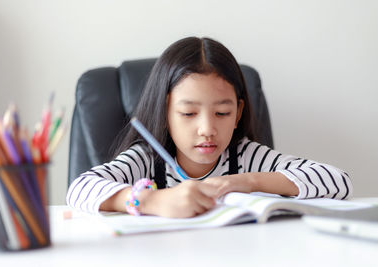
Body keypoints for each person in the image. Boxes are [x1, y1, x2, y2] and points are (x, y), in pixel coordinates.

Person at [66, 37, 352, 218]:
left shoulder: (245, 156)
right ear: (165, 112)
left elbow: (339, 181)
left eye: (222, 112)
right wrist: (153, 201)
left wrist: (248, 182)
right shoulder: (145, 160)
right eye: (189, 113)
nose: (207, 129)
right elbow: (79, 190)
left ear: (238, 113)